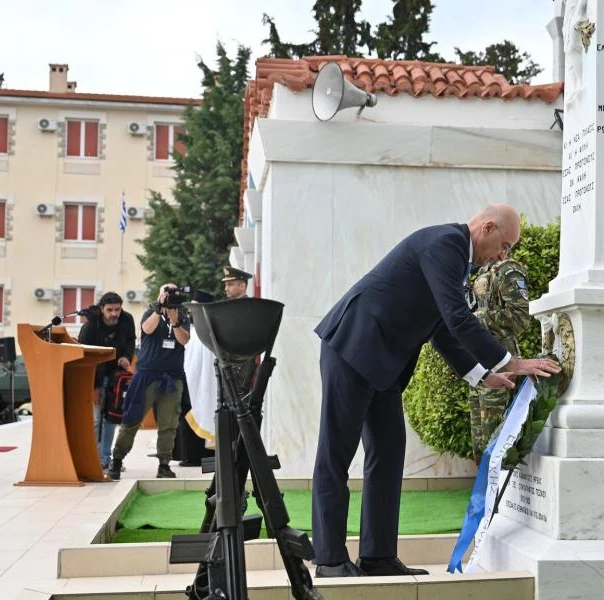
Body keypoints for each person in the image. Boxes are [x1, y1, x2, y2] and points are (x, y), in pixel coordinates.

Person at [311, 204, 561, 577]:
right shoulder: (446, 244)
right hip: (352, 346)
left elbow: (442, 328)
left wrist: (482, 375)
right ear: (487, 228)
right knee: (336, 453)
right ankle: (330, 560)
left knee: (389, 451)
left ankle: (377, 556)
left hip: (381, 361)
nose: (503, 256)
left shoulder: (458, 258)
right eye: (505, 246)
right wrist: (510, 362)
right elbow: (458, 319)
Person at [107, 283, 189, 480]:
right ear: (159, 295)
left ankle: (164, 464)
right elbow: (147, 329)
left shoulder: (183, 315)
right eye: (166, 292)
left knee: (169, 423)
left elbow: (184, 340)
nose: (169, 296)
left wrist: (175, 321)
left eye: (172, 293)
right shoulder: (150, 313)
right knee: (132, 419)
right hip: (146, 375)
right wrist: (160, 310)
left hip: (172, 376)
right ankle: (117, 460)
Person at [466, 257, 532, 461]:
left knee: (497, 436)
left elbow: (521, 318)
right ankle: (485, 491)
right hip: (479, 363)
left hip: (501, 364)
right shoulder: (480, 271)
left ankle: (499, 491)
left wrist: (474, 320)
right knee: (481, 439)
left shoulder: (509, 270)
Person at [182, 266, 250, 456]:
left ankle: (237, 456)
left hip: (241, 370)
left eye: (230, 284)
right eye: (226, 285)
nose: (226, 288)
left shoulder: (249, 308)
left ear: (242, 285)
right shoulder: (226, 308)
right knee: (227, 417)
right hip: (227, 369)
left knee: (239, 418)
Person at [77, 292, 136, 470]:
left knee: (111, 418)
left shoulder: (127, 320)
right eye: (109, 310)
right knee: (96, 420)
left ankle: (105, 458)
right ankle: (92, 457)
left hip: (116, 377)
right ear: (102, 309)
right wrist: (94, 387)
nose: (114, 314)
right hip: (95, 375)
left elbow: (131, 340)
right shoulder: (90, 327)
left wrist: (126, 356)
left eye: (117, 309)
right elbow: (84, 357)